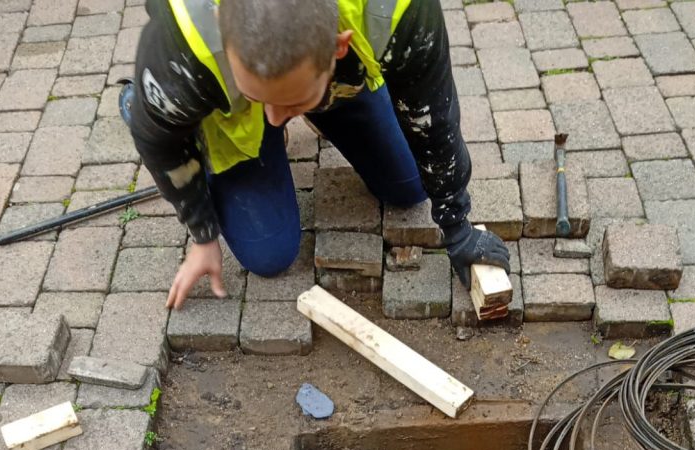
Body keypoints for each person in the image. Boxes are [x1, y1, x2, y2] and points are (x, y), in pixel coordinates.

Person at [125, 0, 510, 311]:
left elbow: (433, 115)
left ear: (339, 46)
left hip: (330, 79)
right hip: (232, 113)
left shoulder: (398, 9)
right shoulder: (180, 48)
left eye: (288, 103)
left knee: (411, 185)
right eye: (264, 101)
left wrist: (457, 224)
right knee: (269, 254)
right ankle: (169, 103)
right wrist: (202, 234)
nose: (274, 119)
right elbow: (158, 141)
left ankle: (316, 101)